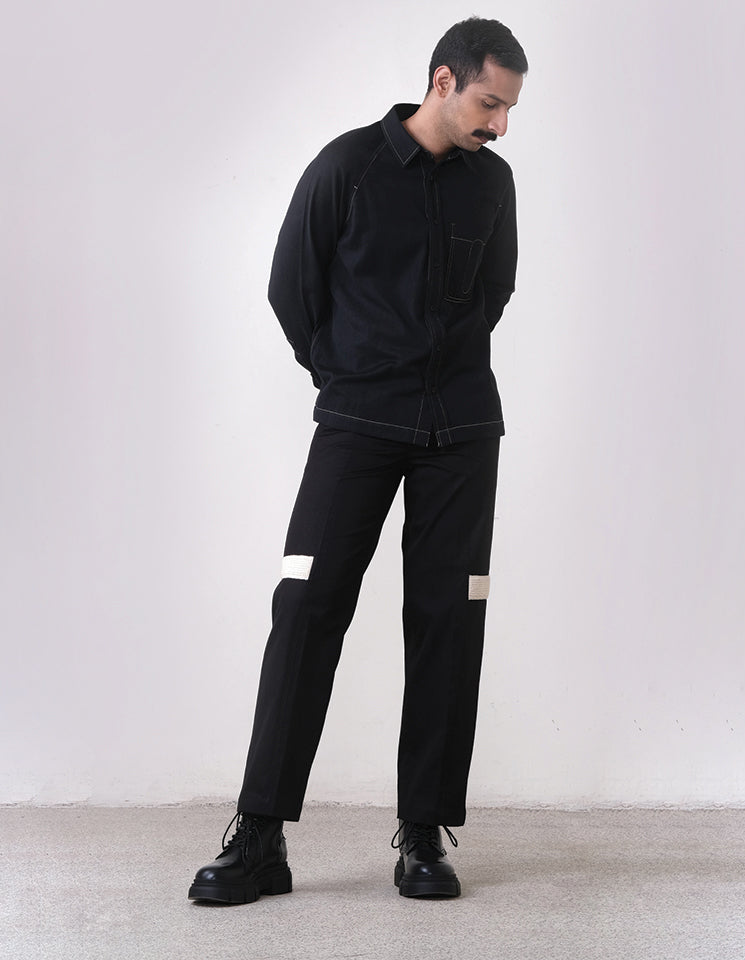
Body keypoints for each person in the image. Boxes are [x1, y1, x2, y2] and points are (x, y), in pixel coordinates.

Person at [188, 16, 527, 904]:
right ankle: (260, 837)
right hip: (357, 421)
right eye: (489, 103)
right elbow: (290, 287)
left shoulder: (493, 184)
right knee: (306, 608)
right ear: (444, 82)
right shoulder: (348, 166)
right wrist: (349, 372)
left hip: (462, 429)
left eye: (509, 109)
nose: (500, 124)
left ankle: (423, 835)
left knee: (448, 620)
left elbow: (493, 292)